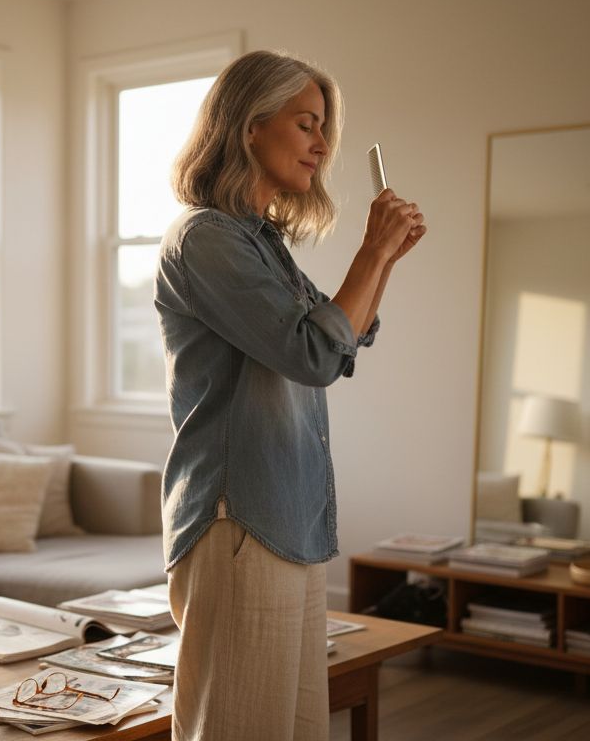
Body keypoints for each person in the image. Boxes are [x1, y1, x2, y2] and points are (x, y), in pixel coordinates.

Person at [154, 50, 426, 740]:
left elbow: (339, 342)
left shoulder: (263, 243)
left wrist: (385, 259)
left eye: (325, 127)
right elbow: (312, 353)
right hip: (240, 521)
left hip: (287, 523)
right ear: (250, 127)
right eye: (306, 123)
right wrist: (370, 250)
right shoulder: (205, 239)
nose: (322, 144)